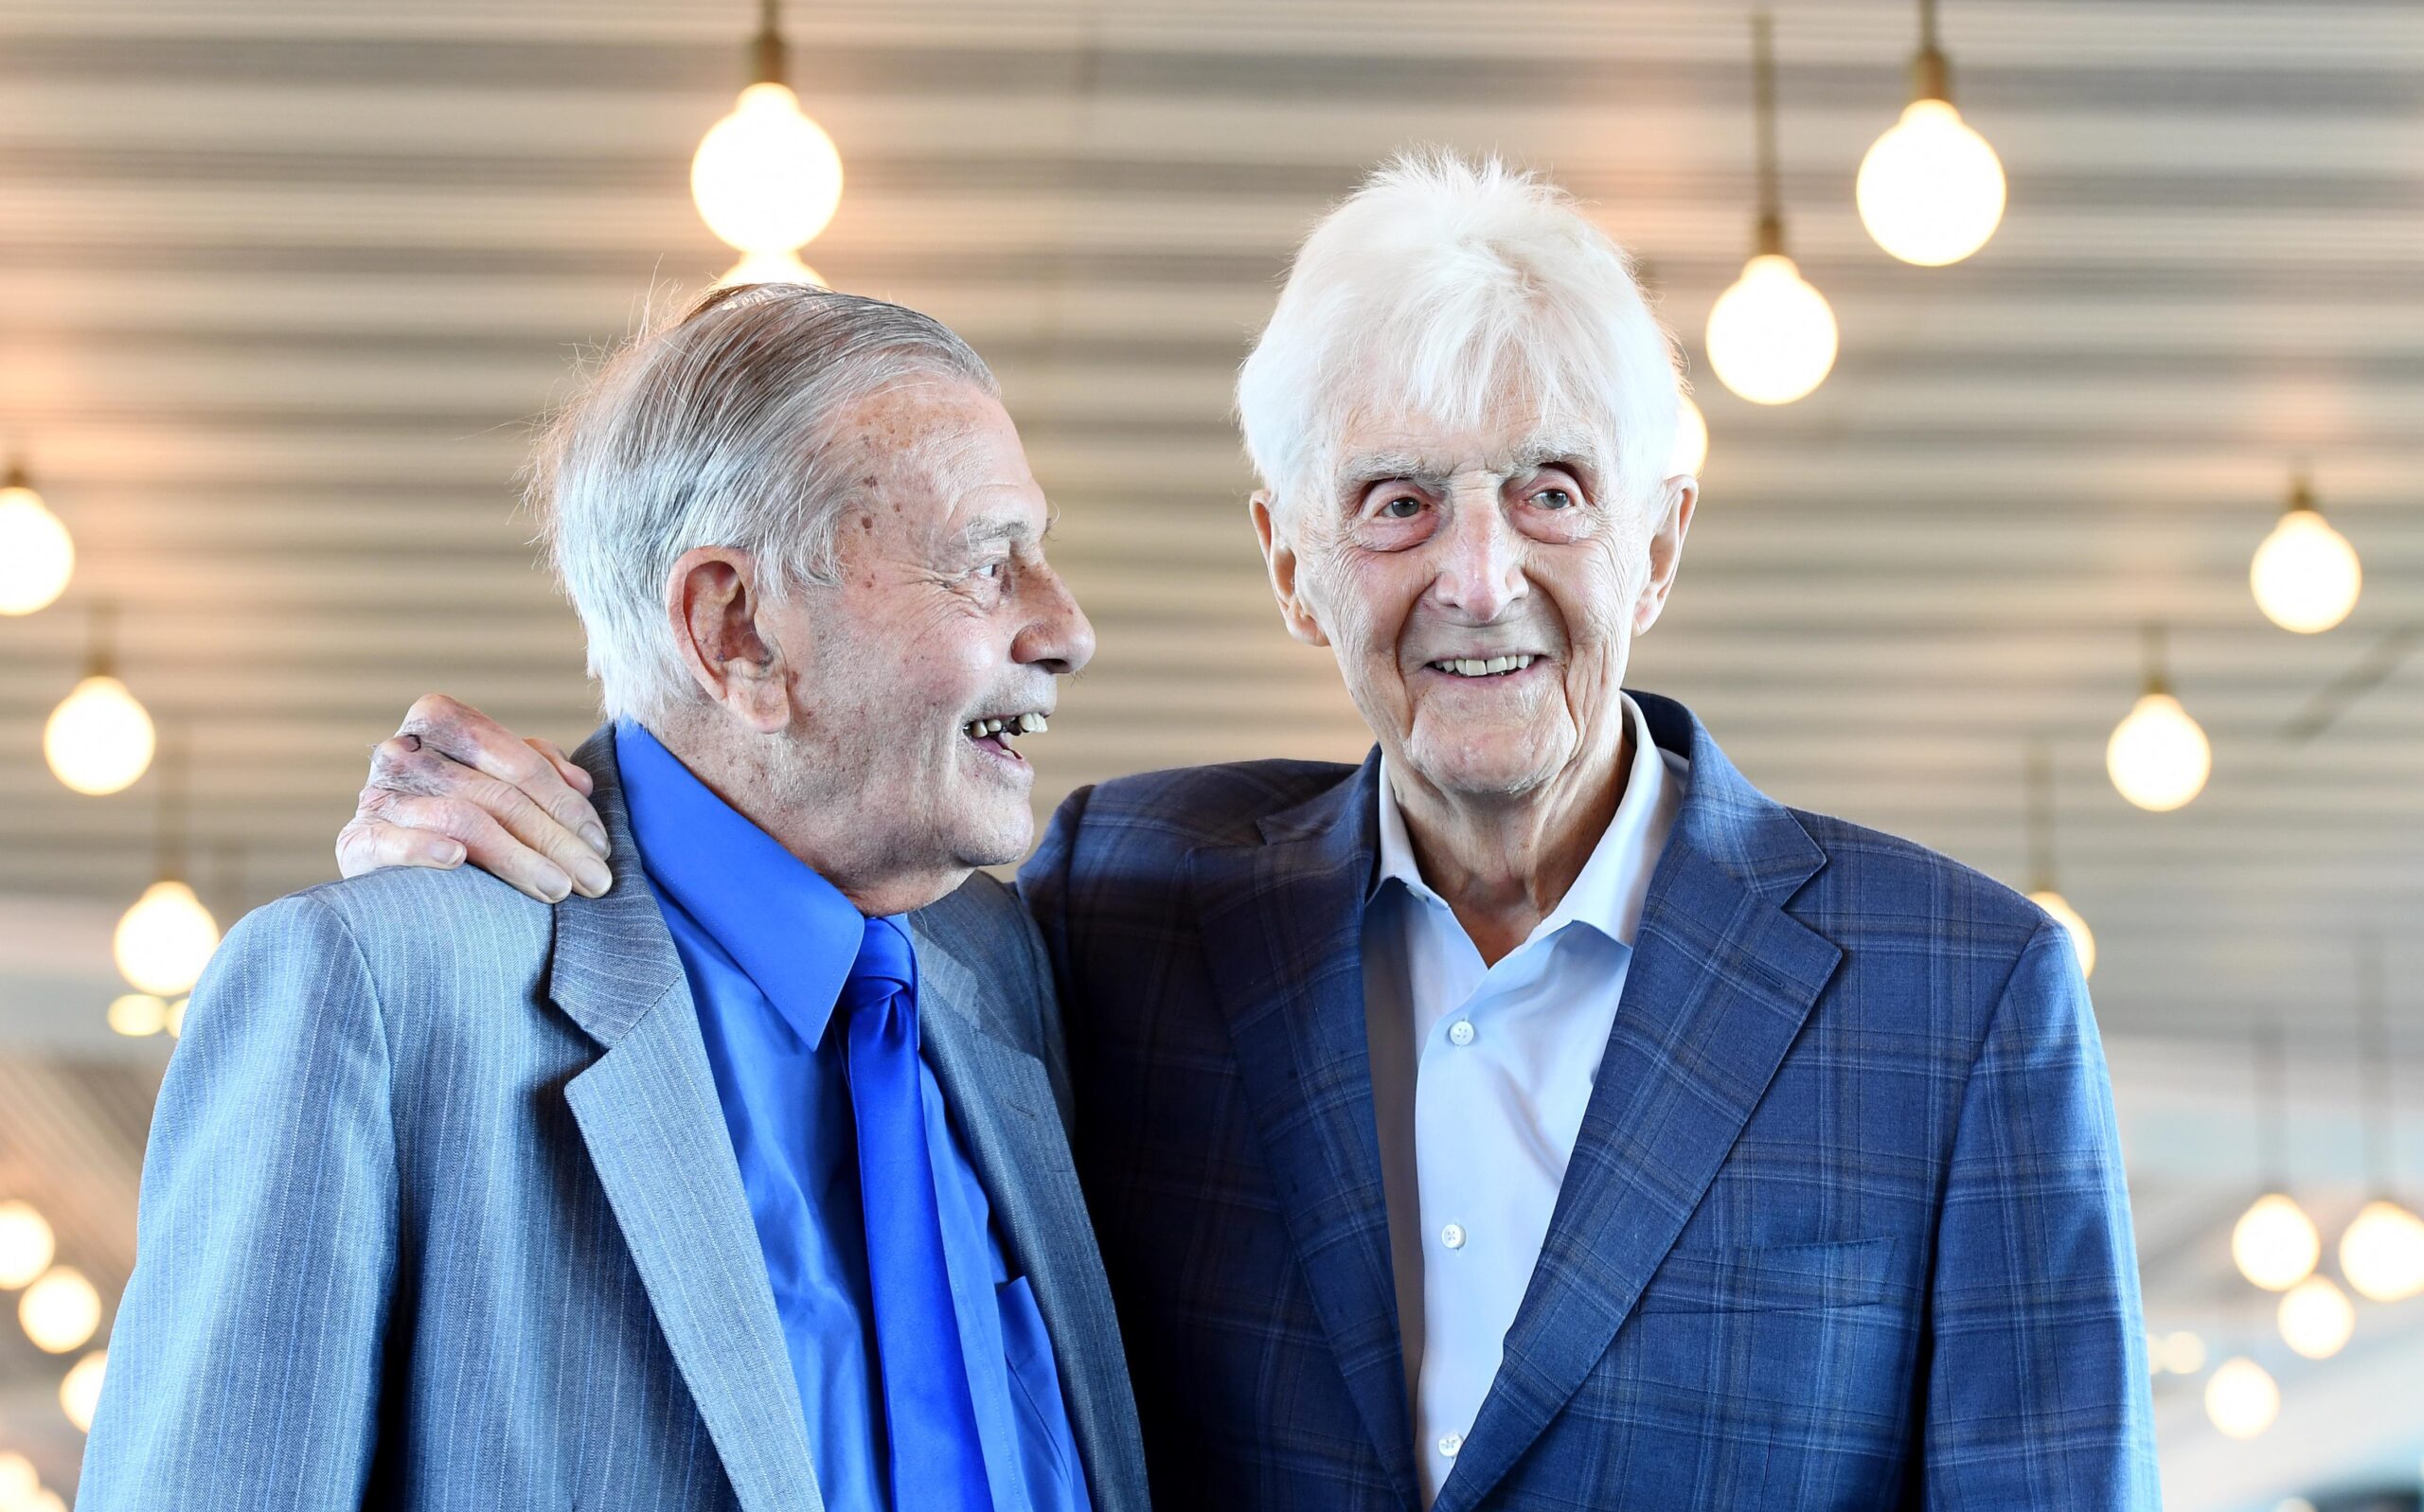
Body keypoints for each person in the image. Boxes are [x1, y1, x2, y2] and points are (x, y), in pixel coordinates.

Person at [330, 152, 2159, 1510]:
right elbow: (784, 853)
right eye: (1394, 504)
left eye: (1550, 490)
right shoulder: (1120, 907)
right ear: (1292, 566)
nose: (1478, 578)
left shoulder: (1961, 995)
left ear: (1658, 538)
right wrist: (504, 847)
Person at [80, 289, 1149, 1512]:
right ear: (734, 628)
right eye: (985, 564)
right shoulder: (380, 995)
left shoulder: (1009, 976)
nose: (1067, 628)